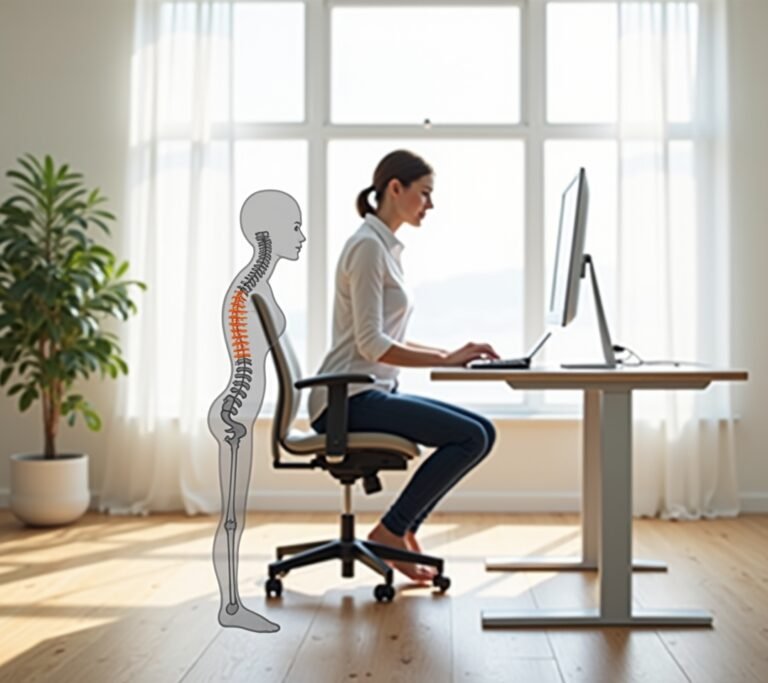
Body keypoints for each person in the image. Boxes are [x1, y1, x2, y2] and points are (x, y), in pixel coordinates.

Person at [308, 150, 499, 583]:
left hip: (369, 391)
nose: (430, 205)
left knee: (482, 432)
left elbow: (384, 338)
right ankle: (392, 531)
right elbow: (372, 345)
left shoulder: (383, 248)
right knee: (469, 436)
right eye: (425, 194)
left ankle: (402, 528)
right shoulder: (367, 248)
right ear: (396, 188)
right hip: (348, 398)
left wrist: (449, 354)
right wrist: (445, 359)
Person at [208, 189, 305, 632]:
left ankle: (232, 605)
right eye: (294, 227)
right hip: (233, 415)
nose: (301, 237)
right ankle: (230, 607)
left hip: (241, 413)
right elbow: (243, 362)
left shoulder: (260, 285)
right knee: (231, 516)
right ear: (267, 234)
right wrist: (232, 414)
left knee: (235, 515)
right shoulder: (246, 290)